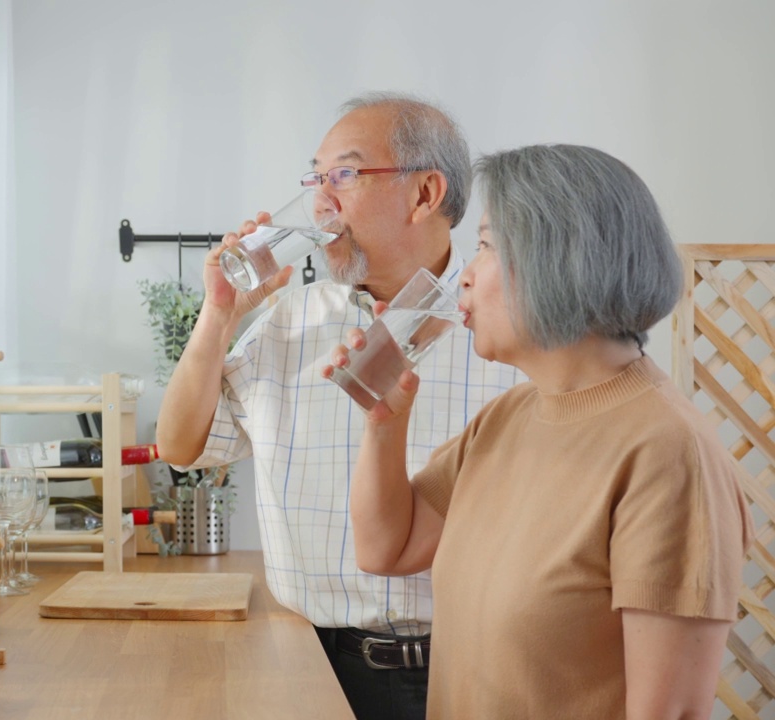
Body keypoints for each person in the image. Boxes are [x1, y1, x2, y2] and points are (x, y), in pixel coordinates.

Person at [334, 144, 752, 718]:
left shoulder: (668, 454)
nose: (466, 275)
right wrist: (384, 422)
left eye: (483, 245)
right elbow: (386, 548)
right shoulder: (508, 418)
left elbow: (669, 712)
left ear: (558, 257)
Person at [155, 92, 519, 719]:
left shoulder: (504, 329)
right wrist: (218, 314)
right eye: (315, 177)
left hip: (471, 670)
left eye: (344, 174)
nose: (321, 199)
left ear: (425, 194)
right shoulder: (290, 320)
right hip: (303, 664)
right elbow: (182, 448)